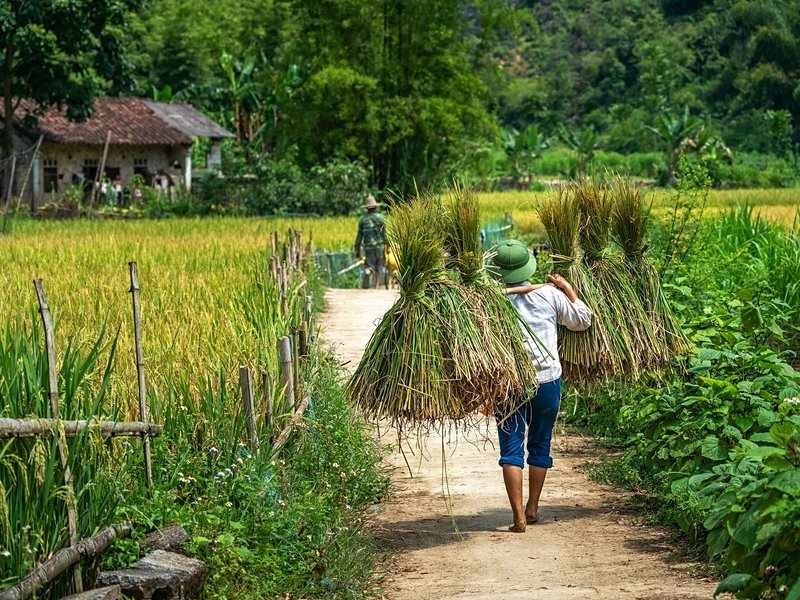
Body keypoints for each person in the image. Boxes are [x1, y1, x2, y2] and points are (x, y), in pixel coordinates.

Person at [490, 239, 593, 533]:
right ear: (528, 266)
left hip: (508, 384)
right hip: (547, 380)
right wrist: (567, 288)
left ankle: (518, 517)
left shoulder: (491, 299)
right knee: (540, 443)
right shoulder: (549, 294)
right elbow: (583, 321)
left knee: (510, 448)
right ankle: (533, 507)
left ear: (498, 271)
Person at [354, 194, 387, 289]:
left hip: (368, 248)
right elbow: (385, 234)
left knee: (370, 265)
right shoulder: (381, 218)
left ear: (366, 208)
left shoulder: (363, 220)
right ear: (376, 207)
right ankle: (376, 287)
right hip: (380, 247)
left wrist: (357, 250)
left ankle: (367, 272)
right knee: (379, 265)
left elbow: (359, 237)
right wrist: (388, 245)